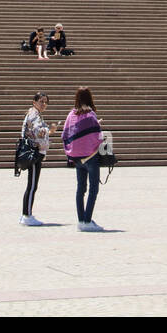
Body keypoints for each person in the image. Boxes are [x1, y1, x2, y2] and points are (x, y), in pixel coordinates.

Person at [62, 87, 105, 232]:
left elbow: (66, 134)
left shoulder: (71, 114)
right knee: (93, 189)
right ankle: (87, 220)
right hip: (90, 157)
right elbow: (97, 135)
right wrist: (97, 125)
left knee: (80, 189)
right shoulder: (90, 114)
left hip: (76, 158)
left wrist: (70, 151)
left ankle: (81, 220)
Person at [19, 92, 57, 225]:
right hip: (34, 152)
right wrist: (50, 131)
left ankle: (26, 213)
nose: (44, 104)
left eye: (46, 102)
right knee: (32, 185)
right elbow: (37, 131)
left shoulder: (33, 113)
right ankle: (27, 215)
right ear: (34, 102)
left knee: (31, 185)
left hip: (32, 151)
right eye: (41, 101)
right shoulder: (34, 115)